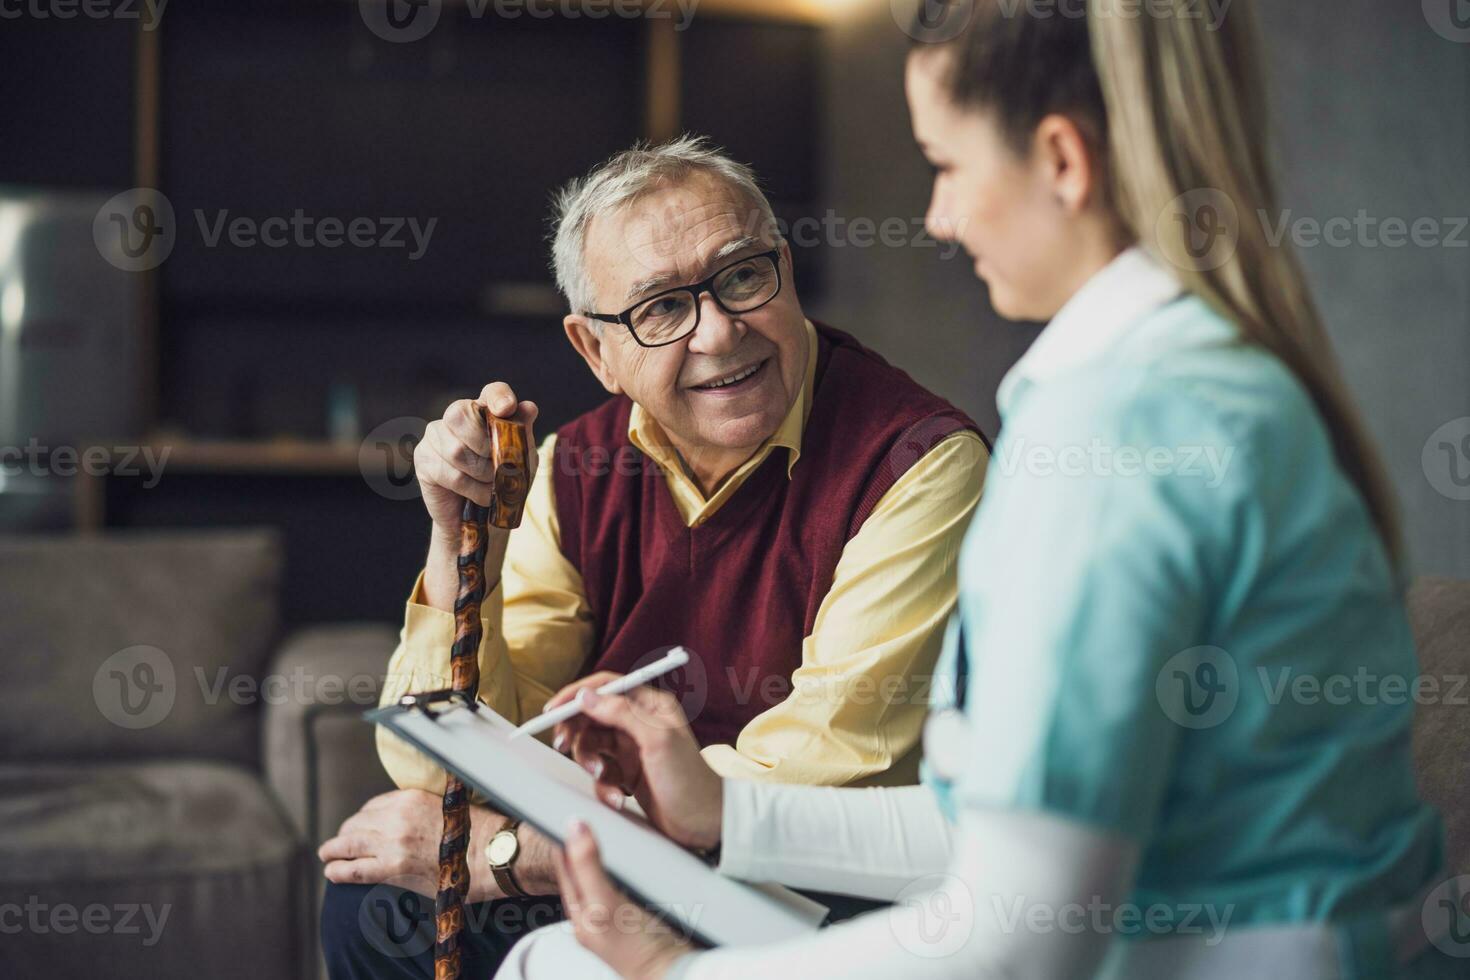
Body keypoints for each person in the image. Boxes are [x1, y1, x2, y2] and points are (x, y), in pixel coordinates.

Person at [498, 2, 1463, 978]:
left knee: (551, 965)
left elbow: (1021, 932)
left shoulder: (1113, 434)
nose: (939, 217)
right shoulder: (1212, 376)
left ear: (1061, 162)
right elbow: (1010, 835)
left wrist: (673, 972)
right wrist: (720, 807)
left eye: (947, 164)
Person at [317, 136, 990, 978]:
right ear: (593, 350)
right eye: (661, 309)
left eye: (743, 276)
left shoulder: (917, 462)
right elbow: (437, 759)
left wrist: (504, 855)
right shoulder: (575, 467)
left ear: (783, 265)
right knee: (379, 909)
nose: (718, 333)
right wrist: (462, 539)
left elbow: (813, 783)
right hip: (639, 842)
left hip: (820, 876)